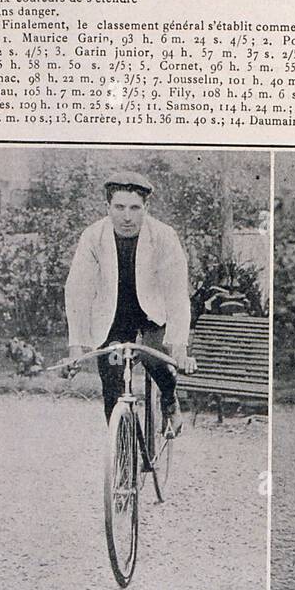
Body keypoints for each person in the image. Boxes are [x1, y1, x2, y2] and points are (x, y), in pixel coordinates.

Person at [65, 171, 191, 432]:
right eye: (119, 207)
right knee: (111, 381)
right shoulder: (93, 236)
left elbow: (176, 291)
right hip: (113, 315)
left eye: (135, 208)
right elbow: (78, 288)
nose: (126, 216)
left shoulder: (164, 236)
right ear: (107, 207)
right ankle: (121, 449)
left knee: (157, 361)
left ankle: (169, 400)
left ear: (146, 208)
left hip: (151, 314)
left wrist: (179, 344)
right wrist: (76, 345)